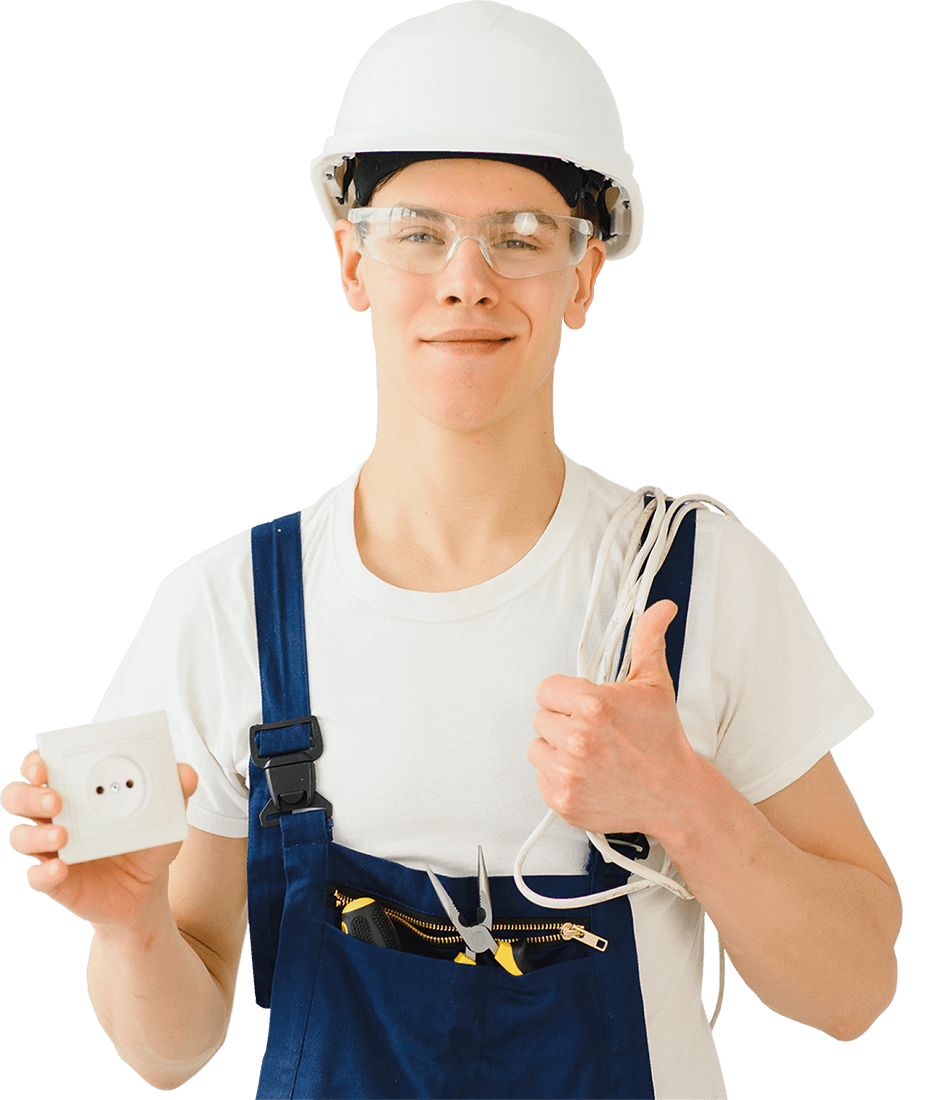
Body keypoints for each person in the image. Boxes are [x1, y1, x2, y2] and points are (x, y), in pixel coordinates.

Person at [2, 4, 900, 1098]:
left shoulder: (692, 579)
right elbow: (171, 1046)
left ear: (582, 276)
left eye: (518, 235)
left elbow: (853, 989)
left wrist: (684, 801)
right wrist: (134, 921)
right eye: (418, 231)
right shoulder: (225, 606)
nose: (465, 279)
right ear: (353, 260)